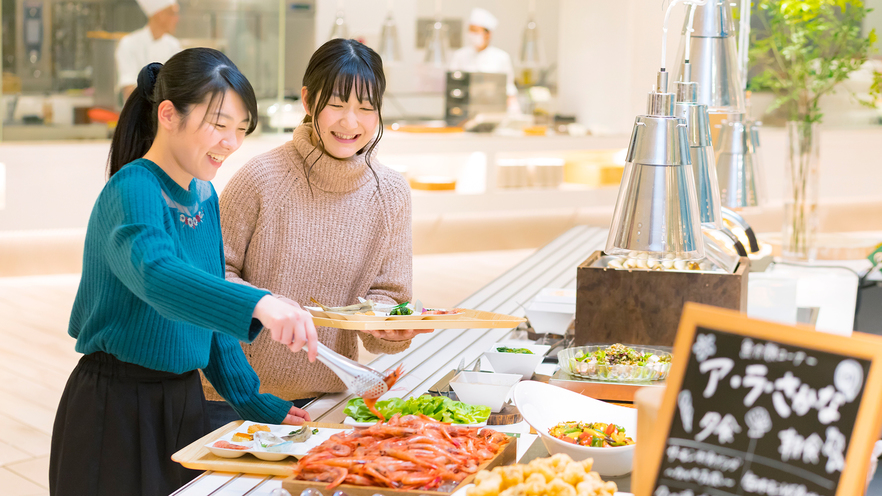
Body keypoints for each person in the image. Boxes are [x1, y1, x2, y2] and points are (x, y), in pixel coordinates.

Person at [49, 48, 319, 496]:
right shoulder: (133, 187)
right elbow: (157, 275)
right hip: (114, 406)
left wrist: (251, 399)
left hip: (183, 403)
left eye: (240, 129)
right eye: (218, 124)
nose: (230, 143)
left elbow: (207, 313)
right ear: (169, 114)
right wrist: (258, 302)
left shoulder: (205, 195)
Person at [202, 38, 431, 429]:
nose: (350, 122)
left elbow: (386, 299)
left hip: (330, 400)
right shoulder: (261, 178)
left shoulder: (391, 193)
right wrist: (265, 306)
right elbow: (210, 280)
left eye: (365, 107)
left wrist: (393, 328)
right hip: (237, 397)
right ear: (308, 101)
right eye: (337, 104)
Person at [449, 7, 520, 113]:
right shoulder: (459, 55)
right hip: (465, 111)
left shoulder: (501, 57)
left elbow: (509, 89)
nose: (471, 34)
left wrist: (515, 113)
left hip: (493, 111)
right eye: (470, 30)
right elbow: (452, 86)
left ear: (488, 34)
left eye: (475, 30)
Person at [115, 0, 181, 102]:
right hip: (138, 114)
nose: (177, 19)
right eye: (173, 13)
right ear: (160, 15)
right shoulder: (129, 43)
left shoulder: (174, 45)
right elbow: (129, 92)